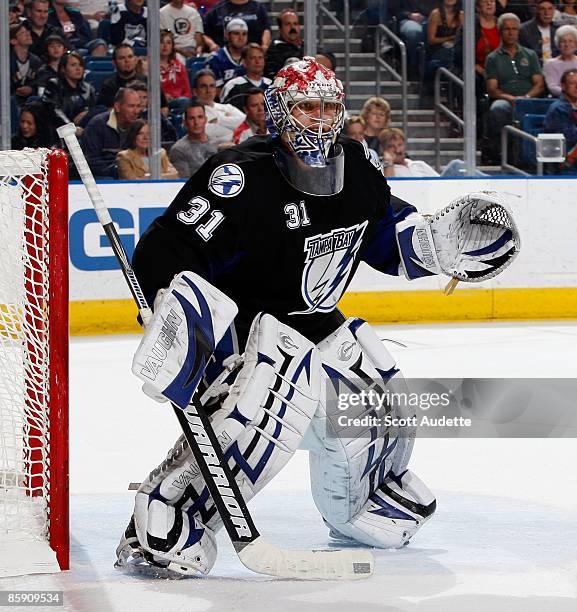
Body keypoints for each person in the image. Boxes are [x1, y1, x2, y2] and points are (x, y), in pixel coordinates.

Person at [115, 57, 518, 578]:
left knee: (375, 392)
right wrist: (177, 312)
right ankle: (175, 510)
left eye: (329, 108)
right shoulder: (240, 177)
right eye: (307, 107)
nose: (320, 120)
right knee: (282, 382)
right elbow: (169, 247)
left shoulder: (356, 167)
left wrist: (435, 244)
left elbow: (384, 233)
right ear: (281, 112)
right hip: (246, 342)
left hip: (318, 328)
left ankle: (361, 498)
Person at [485, 12, 544, 159]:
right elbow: (492, 88)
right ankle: (504, 153)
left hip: (529, 99)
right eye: (507, 29)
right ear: (500, 32)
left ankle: (534, 156)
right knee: (497, 108)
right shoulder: (492, 58)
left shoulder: (530, 55)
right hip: (505, 100)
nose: (511, 33)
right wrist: (511, 99)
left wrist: (526, 97)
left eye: (514, 29)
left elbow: (539, 83)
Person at [82, 86, 142, 178]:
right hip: (106, 179)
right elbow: (90, 162)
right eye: (131, 106)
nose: (136, 111)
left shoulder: (142, 126)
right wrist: (119, 168)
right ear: (117, 107)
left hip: (137, 175)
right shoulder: (97, 125)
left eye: (138, 106)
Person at [41, 49, 96, 132]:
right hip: (60, 129)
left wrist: (87, 113)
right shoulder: (53, 85)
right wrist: (71, 128)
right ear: (63, 69)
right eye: (73, 65)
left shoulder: (88, 88)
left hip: (84, 129)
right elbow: (54, 110)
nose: (78, 68)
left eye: (80, 65)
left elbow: (95, 109)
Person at [169, 102, 219, 178]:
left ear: (205, 120)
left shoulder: (217, 143)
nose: (196, 122)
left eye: (200, 117)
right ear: (185, 122)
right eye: (192, 118)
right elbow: (184, 181)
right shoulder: (179, 149)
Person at [192, 68, 245, 138]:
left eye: (212, 86)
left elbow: (247, 122)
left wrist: (220, 120)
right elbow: (207, 133)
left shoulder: (228, 107)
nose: (208, 90)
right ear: (195, 91)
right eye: (203, 87)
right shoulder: (191, 113)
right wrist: (232, 123)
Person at [389, 0, 437, 76]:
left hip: (431, 18)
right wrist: (409, 15)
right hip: (407, 19)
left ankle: (433, 68)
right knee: (414, 31)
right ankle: (413, 65)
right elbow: (394, 9)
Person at [220, 42, 271, 110]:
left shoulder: (272, 85)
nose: (257, 61)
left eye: (260, 57)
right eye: (253, 58)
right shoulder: (232, 86)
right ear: (244, 62)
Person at [203, 0, 271, 50]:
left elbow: (266, 29)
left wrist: (264, 45)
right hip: (224, 55)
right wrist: (212, 44)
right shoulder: (217, 9)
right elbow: (203, 32)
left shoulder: (258, 8)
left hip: (253, 54)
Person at [544, 68, 577, 169]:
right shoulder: (558, 108)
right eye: (573, 83)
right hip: (564, 161)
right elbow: (568, 138)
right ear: (563, 86)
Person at [206, 18, 248, 90]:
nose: (241, 38)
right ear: (227, 35)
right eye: (236, 33)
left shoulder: (252, 58)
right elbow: (215, 90)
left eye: (244, 34)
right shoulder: (215, 58)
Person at [9, 22, 42, 109]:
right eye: (23, 33)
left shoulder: (36, 61)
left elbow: (41, 82)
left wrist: (31, 89)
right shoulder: (6, 62)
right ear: (13, 41)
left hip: (30, 102)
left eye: (27, 31)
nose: (28, 33)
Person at [264, 9, 304, 79]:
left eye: (295, 24)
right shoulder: (274, 48)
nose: (292, 27)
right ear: (280, 28)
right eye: (288, 24)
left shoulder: (305, 45)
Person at [160, 29, 192, 111]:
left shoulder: (179, 65)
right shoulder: (149, 66)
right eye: (161, 42)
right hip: (158, 103)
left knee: (185, 101)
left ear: (172, 47)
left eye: (168, 43)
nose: (165, 46)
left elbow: (187, 91)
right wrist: (163, 97)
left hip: (177, 101)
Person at [544, 25, 577, 96]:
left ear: (576, 44)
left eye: (570, 41)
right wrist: (570, 93)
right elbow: (552, 87)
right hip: (560, 100)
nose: (567, 44)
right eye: (563, 41)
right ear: (558, 44)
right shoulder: (550, 64)